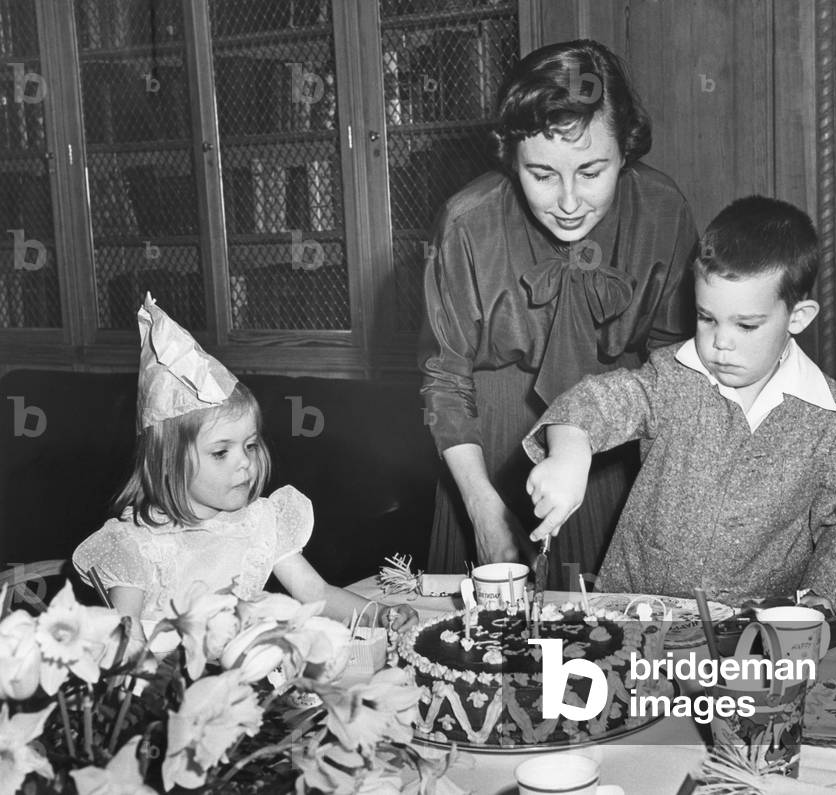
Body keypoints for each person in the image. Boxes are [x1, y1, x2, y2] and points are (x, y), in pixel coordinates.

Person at [420, 40, 698, 587]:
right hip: (487, 450)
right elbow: (445, 383)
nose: (568, 202)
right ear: (510, 157)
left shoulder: (665, 211)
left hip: (613, 450)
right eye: (542, 175)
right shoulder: (465, 224)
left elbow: (674, 370)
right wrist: (483, 511)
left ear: (627, 150)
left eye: (592, 171)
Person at [522, 196, 836, 610]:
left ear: (797, 317)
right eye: (706, 317)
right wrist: (569, 454)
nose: (720, 342)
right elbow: (595, 403)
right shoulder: (671, 379)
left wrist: (819, 600)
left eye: (745, 325)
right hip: (638, 610)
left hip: (755, 631)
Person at [74, 294, 415, 647]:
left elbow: (316, 592)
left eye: (250, 445)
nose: (244, 462)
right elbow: (126, 647)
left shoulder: (259, 521)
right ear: (167, 462)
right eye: (221, 452)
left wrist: (383, 615)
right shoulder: (136, 543)